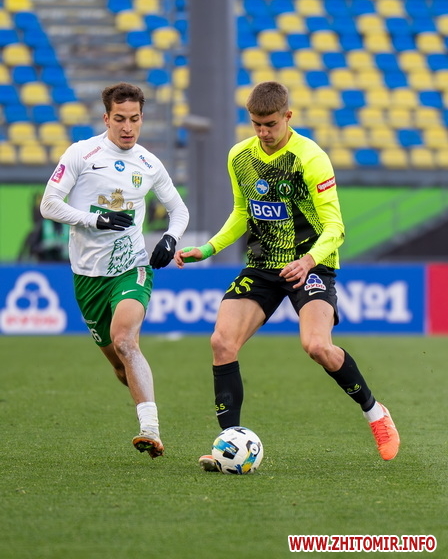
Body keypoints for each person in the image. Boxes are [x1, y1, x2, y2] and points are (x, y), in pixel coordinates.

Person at [174, 81, 399, 470]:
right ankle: (229, 445)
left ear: (288, 116)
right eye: (256, 124)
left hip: (310, 262)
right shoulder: (240, 156)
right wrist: (208, 249)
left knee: (317, 346)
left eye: (271, 124)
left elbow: (336, 228)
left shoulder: (310, 158)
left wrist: (308, 261)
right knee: (222, 342)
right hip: (263, 263)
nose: (263, 132)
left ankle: (375, 412)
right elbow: (242, 213)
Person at [41, 82, 189, 459]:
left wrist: (170, 238)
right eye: (120, 119)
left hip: (132, 267)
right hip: (88, 277)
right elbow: (49, 204)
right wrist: (95, 219)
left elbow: (179, 210)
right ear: (106, 118)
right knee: (120, 366)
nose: (128, 127)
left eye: (134, 119)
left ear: (142, 118)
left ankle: (150, 430)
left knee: (125, 340)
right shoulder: (81, 154)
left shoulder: (149, 164)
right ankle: (140, 395)